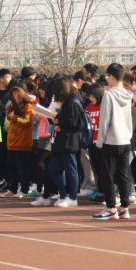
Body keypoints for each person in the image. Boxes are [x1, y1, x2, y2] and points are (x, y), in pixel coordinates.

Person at [93, 62, 135, 220]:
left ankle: (111, 208)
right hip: (125, 139)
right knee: (123, 175)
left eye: (107, 76)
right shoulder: (128, 95)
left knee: (108, 176)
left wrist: (100, 140)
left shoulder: (109, 95)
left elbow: (105, 120)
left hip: (111, 140)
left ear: (111, 77)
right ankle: (124, 207)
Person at [48, 77, 87, 208]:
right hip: (62, 141)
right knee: (53, 169)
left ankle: (73, 197)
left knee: (71, 170)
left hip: (70, 141)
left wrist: (60, 123)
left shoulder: (73, 102)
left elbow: (76, 124)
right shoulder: (69, 102)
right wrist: (58, 121)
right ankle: (64, 194)